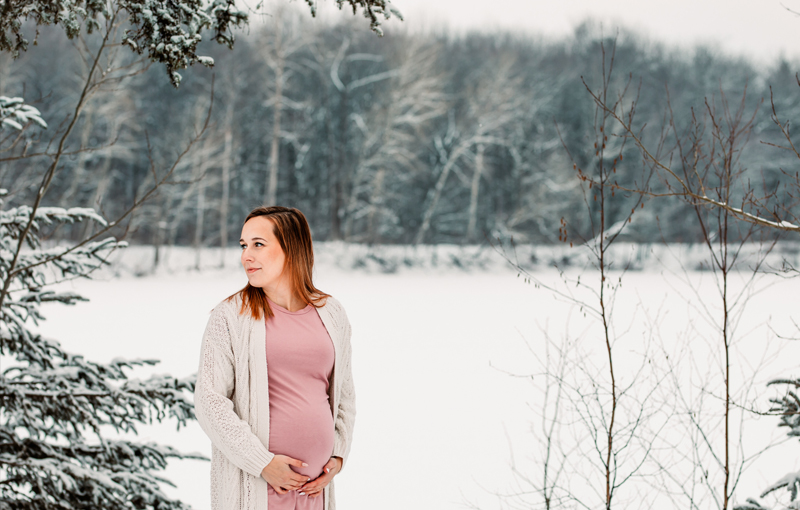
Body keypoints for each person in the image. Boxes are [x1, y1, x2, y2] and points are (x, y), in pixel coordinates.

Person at [194, 206, 355, 510]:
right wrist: (262, 463)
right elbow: (209, 401)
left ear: (291, 247)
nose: (246, 256)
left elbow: (343, 393)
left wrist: (338, 454)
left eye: (258, 244)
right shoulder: (231, 316)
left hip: (314, 492)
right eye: (243, 245)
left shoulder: (332, 313)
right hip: (257, 487)